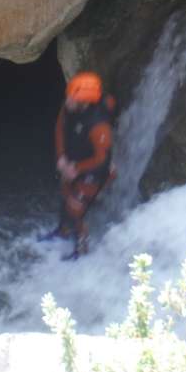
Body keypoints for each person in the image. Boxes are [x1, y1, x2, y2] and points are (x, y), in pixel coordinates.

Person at [44, 72, 118, 260]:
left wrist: (75, 168)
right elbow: (60, 127)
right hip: (74, 158)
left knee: (76, 209)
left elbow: (102, 160)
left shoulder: (99, 125)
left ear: (84, 101)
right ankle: (63, 231)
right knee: (65, 195)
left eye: (71, 98)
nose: (67, 100)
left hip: (94, 169)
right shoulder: (71, 106)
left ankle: (82, 250)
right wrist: (61, 158)